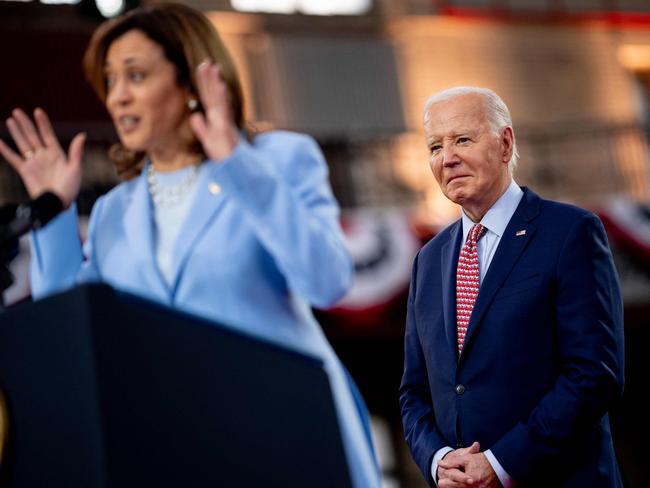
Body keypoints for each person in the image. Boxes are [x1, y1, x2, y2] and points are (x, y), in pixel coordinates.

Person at [0, 4, 380, 486]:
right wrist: (52, 212)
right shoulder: (116, 210)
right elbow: (75, 334)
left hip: (287, 431)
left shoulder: (277, 159)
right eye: (110, 80)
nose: (117, 97)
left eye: (135, 76)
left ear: (192, 82)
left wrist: (234, 162)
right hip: (182, 446)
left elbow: (327, 281)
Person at [399, 86, 624, 487]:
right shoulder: (427, 261)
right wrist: (438, 461)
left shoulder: (570, 233)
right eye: (435, 146)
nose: (447, 159)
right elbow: (414, 393)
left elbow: (594, 374)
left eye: (462, 140)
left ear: (505, 144)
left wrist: (501, 464)